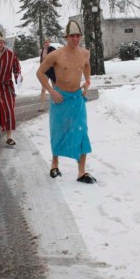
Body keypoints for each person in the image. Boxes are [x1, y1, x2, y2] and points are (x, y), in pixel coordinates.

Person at [36, 20, 96, 183]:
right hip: (60, 98)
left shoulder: (84, 53)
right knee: (58, 131)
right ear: (66, 37)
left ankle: (81, 172)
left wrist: (87, 82)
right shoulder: (55, 55)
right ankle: (55, 164)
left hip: (77, 99)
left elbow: (87, 66)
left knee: (82, 132)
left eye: (78, 36)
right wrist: (51, 91)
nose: (75, 39)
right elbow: (40, 72)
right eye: (72, 36)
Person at [0, 31, 22, 145]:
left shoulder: (10, 55)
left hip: (6, 86)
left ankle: (9, 137)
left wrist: (18, 77)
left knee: (8, 110)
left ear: (4, 43)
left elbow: (17, 69)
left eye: (1, 42)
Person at [38, 39, 57, 112]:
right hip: (45, 71)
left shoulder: (52, 49)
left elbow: (54, 57)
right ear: (43, 44)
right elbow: (42, 61)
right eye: (45, 42)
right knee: (43, 89)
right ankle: (42, 106)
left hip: (52, 71)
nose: (46, 43)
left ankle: (56, 103)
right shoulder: (42, 51)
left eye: (47, 42)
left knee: (54, 88)